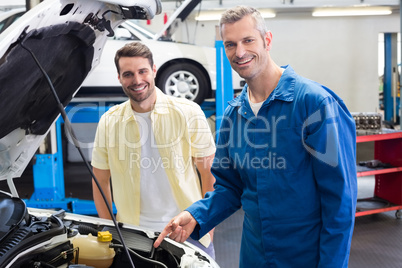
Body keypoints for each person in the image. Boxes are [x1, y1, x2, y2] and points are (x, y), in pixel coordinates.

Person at [154, 5, 357, 267]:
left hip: (306, 255)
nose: (239, 52)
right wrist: (195, 215)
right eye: (230, 44)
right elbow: (229, 187)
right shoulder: (232, 115)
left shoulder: (314, 105)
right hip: (255, 254)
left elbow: (339, 201)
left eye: (248, 40)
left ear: (267, 40)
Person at [91, 42, 216, 258]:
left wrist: (207, 226)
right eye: (128, 74)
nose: (137, 80)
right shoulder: (109, 122)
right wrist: (109, 229)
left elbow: (210, 174)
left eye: (143, 71)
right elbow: (100, 180)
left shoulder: (188, 112)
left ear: (154, 70)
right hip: (133, 236)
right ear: (119, 78)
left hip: (188, 230)